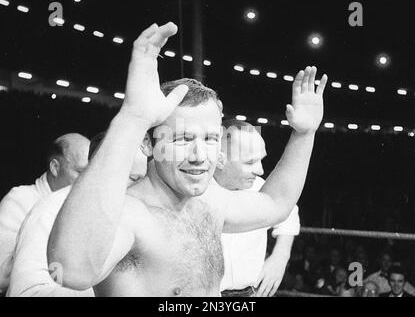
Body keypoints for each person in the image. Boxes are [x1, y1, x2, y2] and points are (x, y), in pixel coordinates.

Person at [47, 22, 328, 296]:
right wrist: (132, 118)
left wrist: (303, 134)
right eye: (182, 139)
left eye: (209, 139)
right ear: (148, 144)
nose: (199, 157)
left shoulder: (209, 203)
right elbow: (72, 271)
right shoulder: (130, 215)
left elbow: (275, 204)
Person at [6, 132, 150, 297]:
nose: (142, 189)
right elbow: (27, 292)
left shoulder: (137, 215)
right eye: (134, 179)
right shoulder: (52, 209)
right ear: (99, 169)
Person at [215, 119, 300, 297]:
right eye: (250, 162)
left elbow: (290, 212)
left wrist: (280, 257)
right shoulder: (195, 191)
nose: (260, 170)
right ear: (220, 159)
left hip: (252, 293)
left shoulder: (260, 187)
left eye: (261, 160)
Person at [0, 133, 90, 294]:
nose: (88, 180)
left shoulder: (84, 207)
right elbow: (2, 275)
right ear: (55, 167)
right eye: (81, 172)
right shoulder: (20, 200)